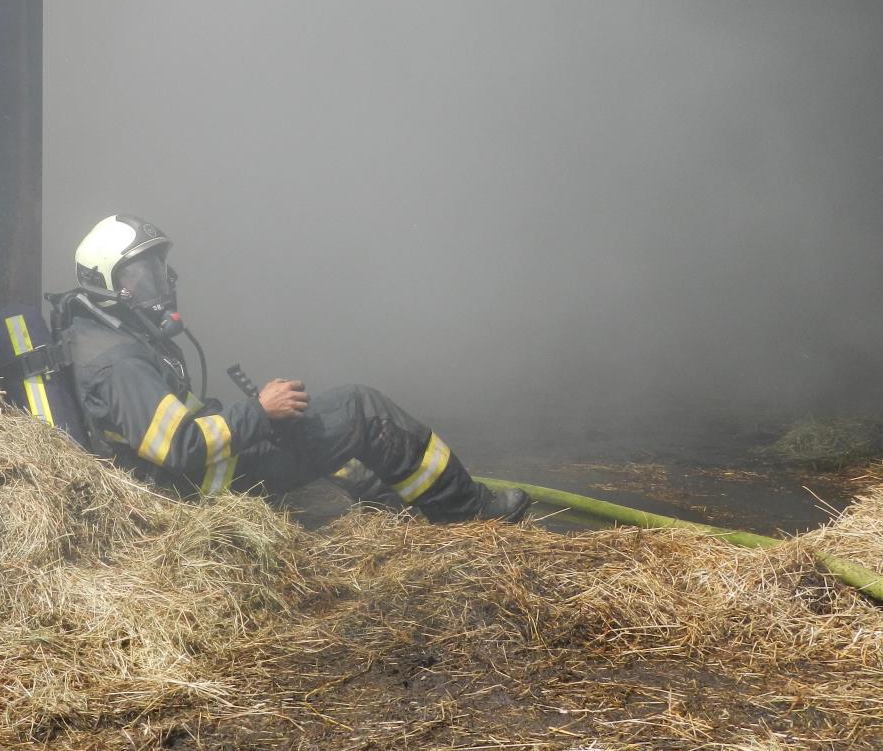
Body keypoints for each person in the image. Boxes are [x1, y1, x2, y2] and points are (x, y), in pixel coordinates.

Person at [56, 214, 531, 523]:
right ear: (105, 283)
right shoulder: (118, 361)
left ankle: (385, 501)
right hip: (205, 487)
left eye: (159, 270)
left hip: (201, 476)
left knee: (314, 418)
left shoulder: (105, 334)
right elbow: (181, 446)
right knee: (364, 410)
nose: (159, 285)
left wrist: (260, 416)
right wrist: (258, 412)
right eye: (141, 276)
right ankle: (471, 514)